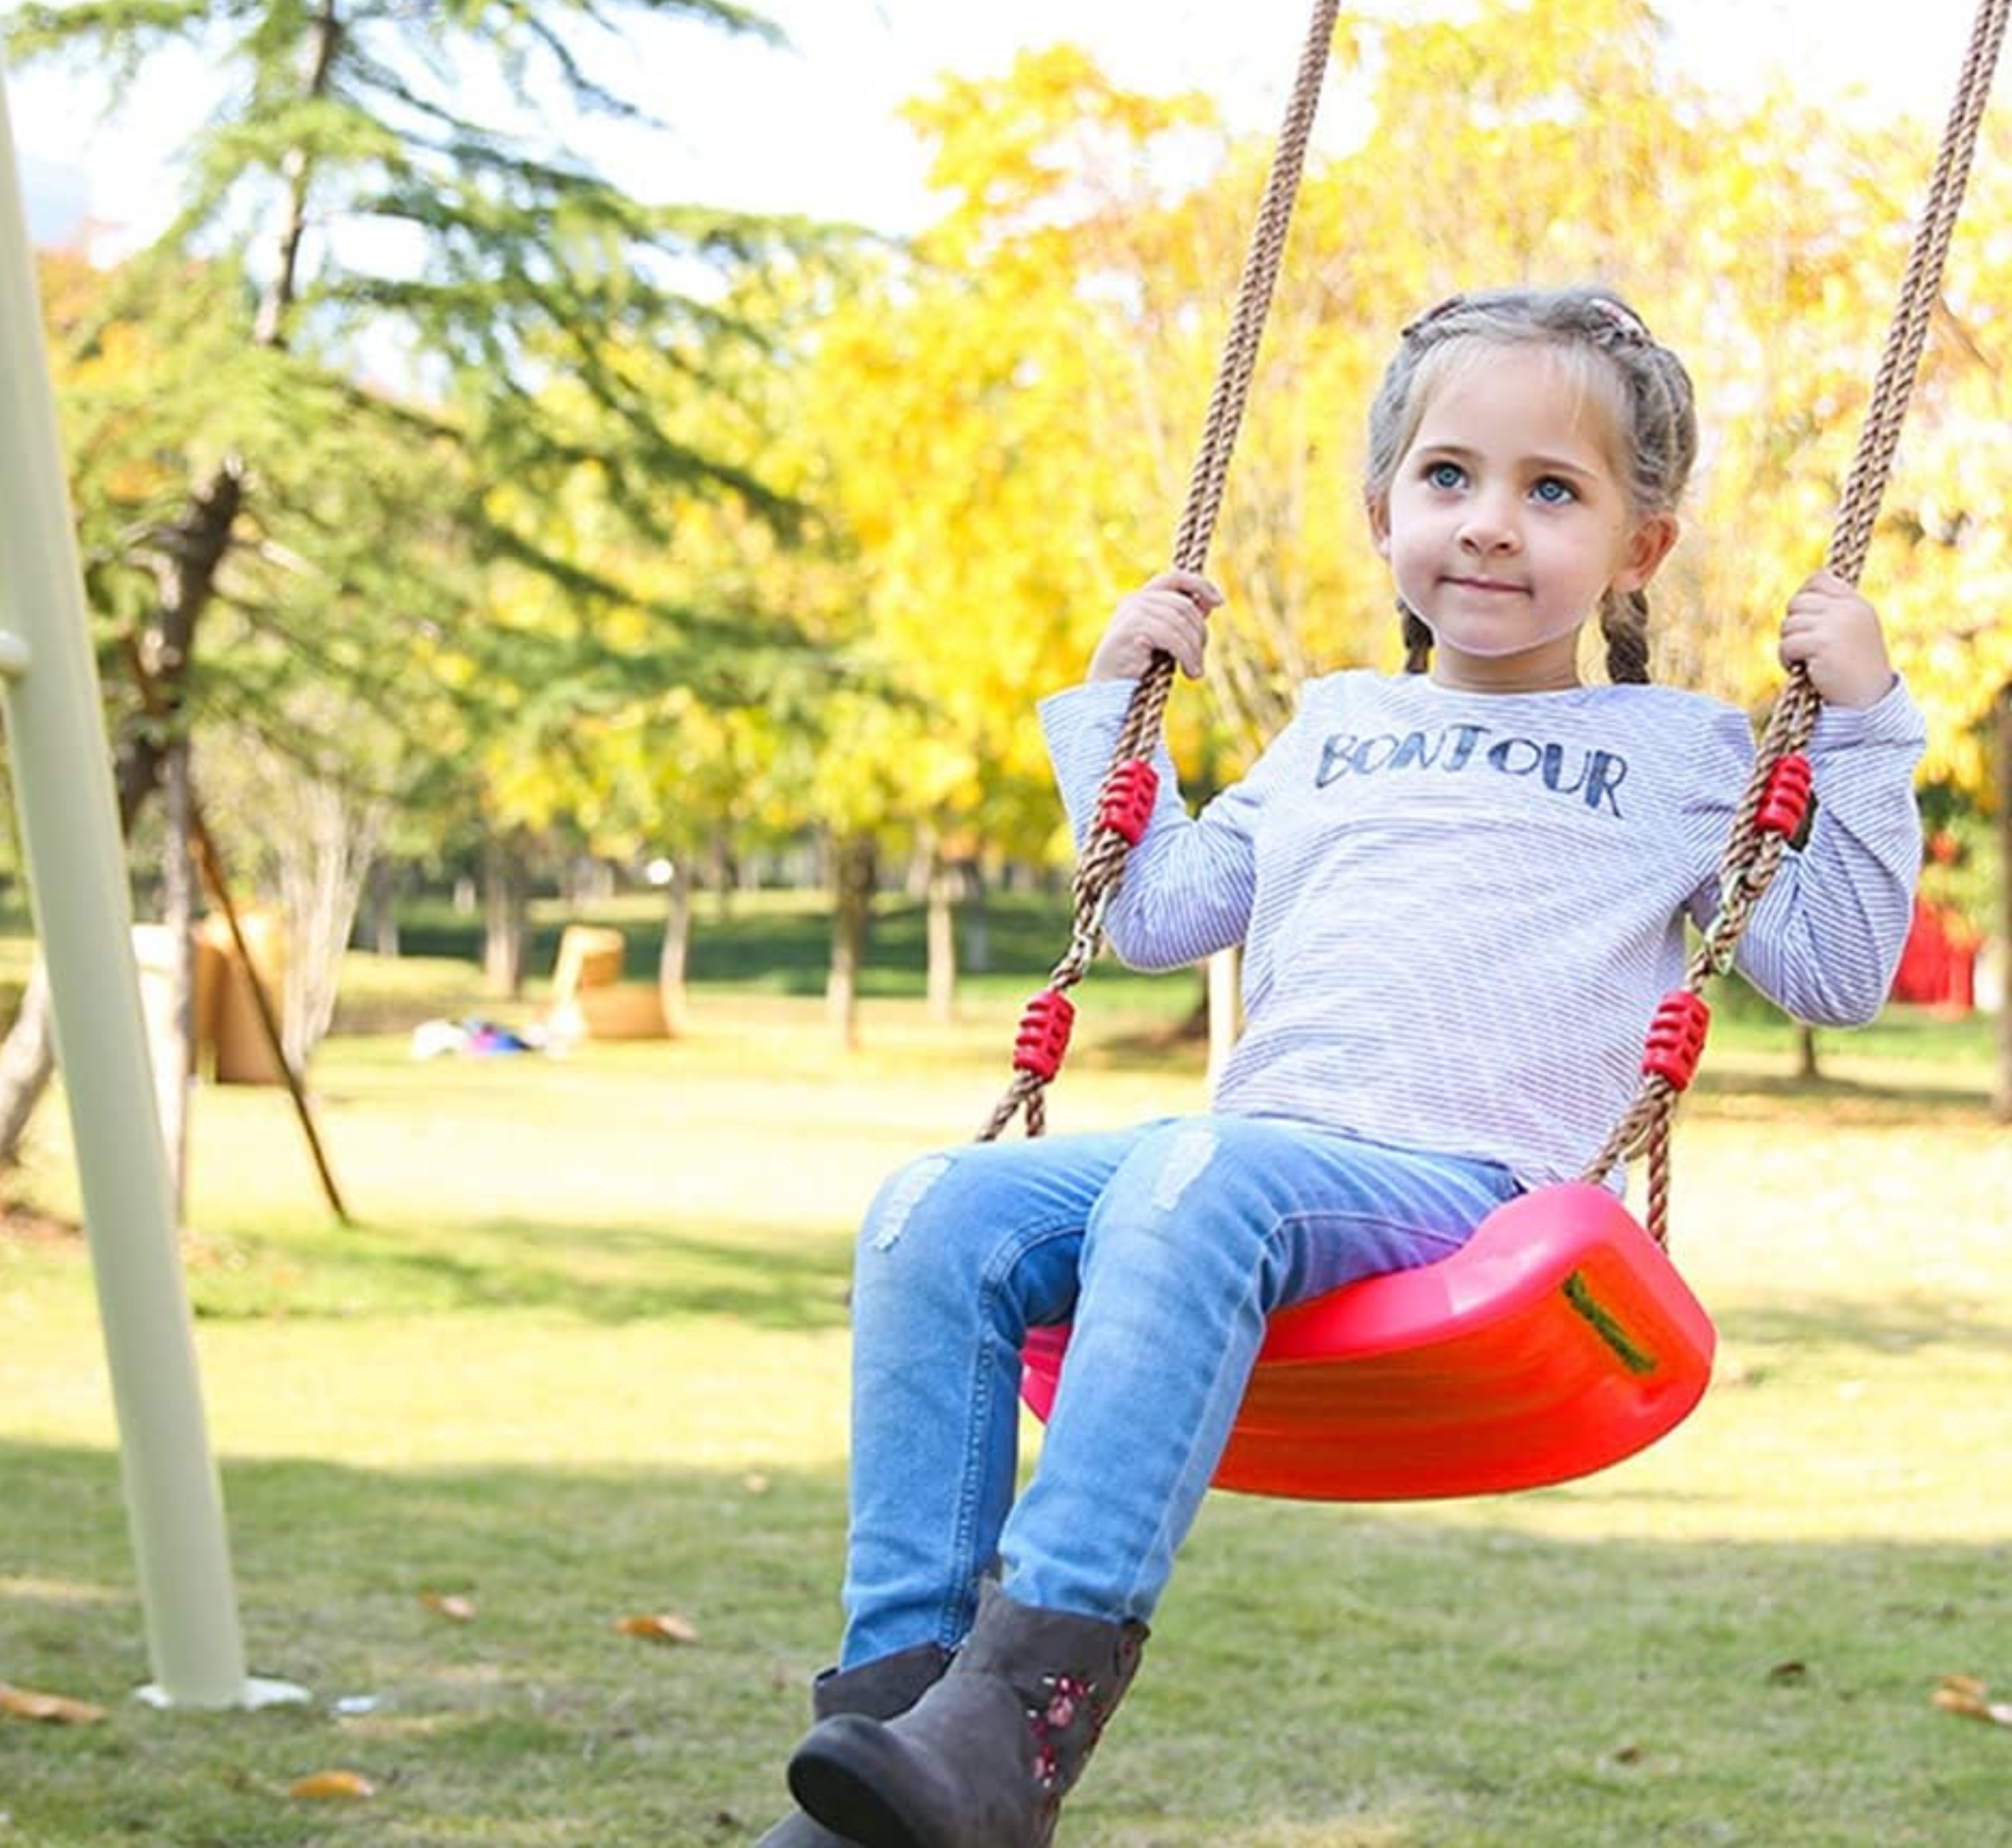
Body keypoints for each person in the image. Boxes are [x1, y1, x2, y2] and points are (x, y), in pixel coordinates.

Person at [758, 287, 1926, 1848]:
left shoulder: (1686, 755)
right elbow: (1157, 910)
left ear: (1639, 547)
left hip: (1472, 1193)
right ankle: (896, 1728)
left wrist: (1866, 728)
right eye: (1449, 477)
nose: (1489, 522)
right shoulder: (1330, 728)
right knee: (934, 1209)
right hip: (1247, 1176)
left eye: (1552, 490)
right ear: (1384, 515)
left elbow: (1838, 969)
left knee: (1200, 1167)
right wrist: (1115, 708)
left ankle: (1017, 1721)